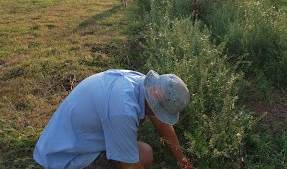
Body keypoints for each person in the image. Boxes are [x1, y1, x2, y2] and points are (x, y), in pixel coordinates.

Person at [33, 69, 194, 169]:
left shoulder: (143, 84)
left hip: (74, 140)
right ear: (155, 106)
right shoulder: (122, 111)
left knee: (144, 153)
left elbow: (164, 127)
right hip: (66, 157)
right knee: (141, 157)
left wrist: (183, 162)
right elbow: (130, 166)